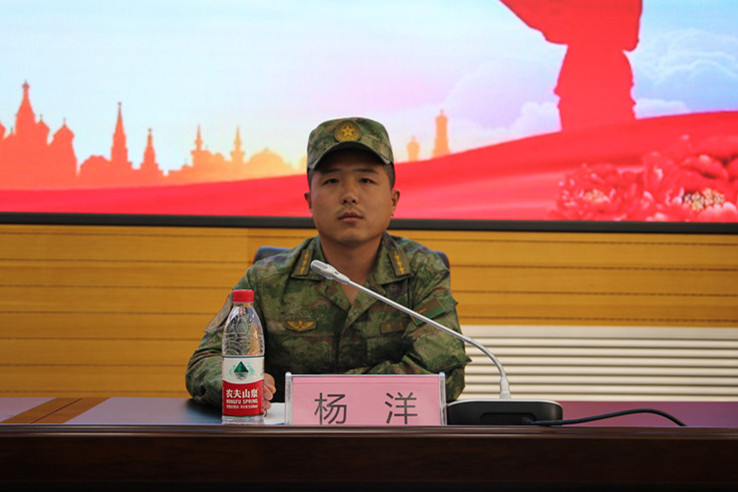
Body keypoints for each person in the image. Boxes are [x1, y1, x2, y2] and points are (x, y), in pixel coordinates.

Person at [185, 117, 469, 410]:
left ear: (393, 200)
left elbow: (444, 374)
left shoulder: (422, 271)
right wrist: (239, 383)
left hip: (394, 433)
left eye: (366, 180)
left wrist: (324, 391)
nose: (349, 196)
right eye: (332, 181)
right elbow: (205, 361)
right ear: (310, 200)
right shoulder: (267, 279)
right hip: (292, 437)